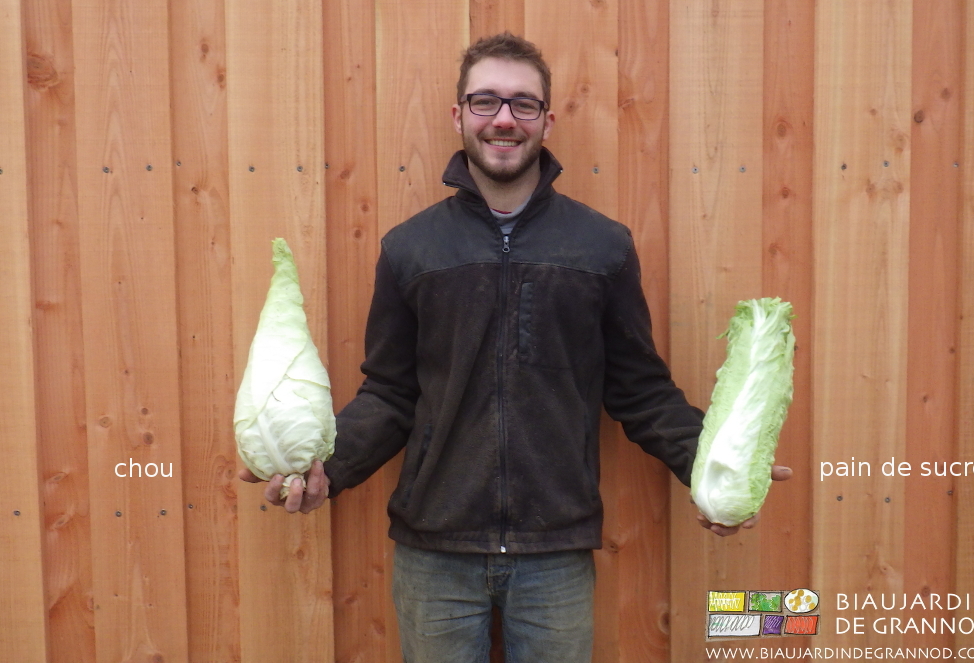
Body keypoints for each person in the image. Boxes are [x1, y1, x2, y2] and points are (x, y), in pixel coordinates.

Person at [240, 32, 791, 663]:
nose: (504, 118)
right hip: (434, 552)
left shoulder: (602, 247)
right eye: (486, 101)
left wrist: (718, 467)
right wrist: (321, 470)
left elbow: (639, 390)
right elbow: (390, 393)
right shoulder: (410, 249)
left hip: (555, 552)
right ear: (459, 116)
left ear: (546, 121)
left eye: (523, 103)